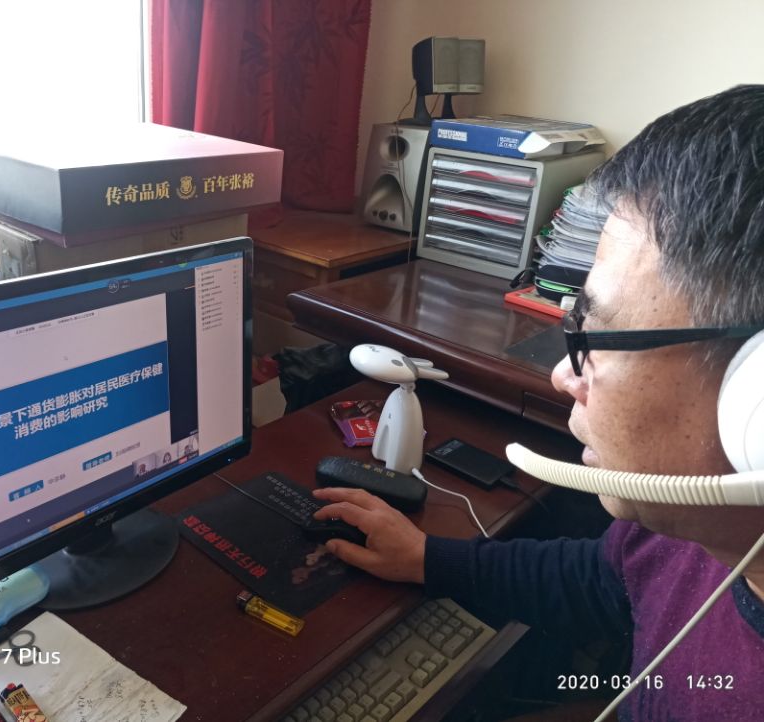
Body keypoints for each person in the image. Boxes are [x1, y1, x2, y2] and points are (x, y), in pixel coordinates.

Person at [313, 85, 764, 721]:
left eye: (593, 334)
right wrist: (426, 558)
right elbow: (608, 576)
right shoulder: (691, 526)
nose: (561, 376)